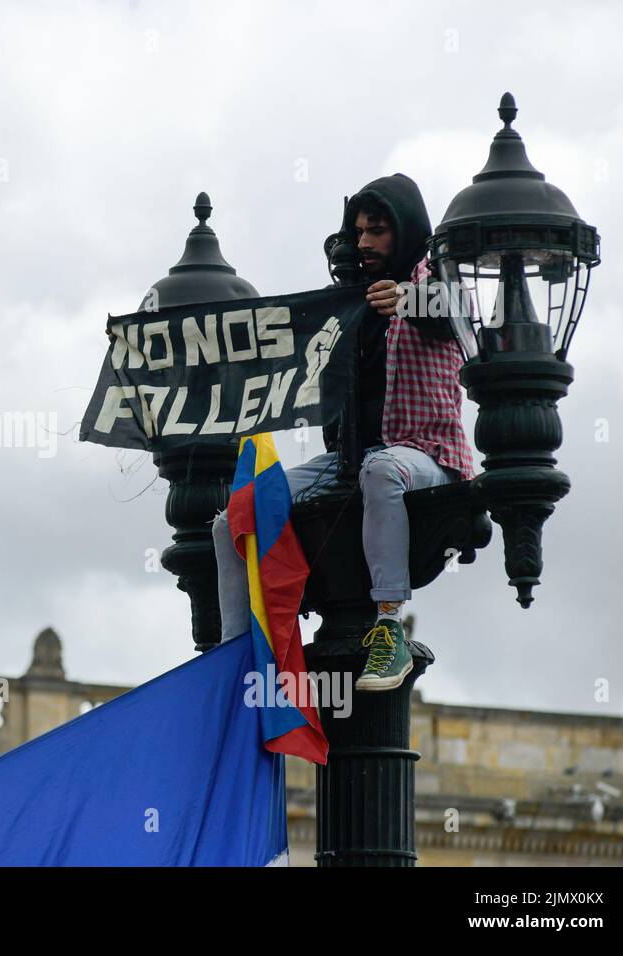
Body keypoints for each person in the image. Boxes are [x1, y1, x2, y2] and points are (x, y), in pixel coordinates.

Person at [212, 173, 474, 692]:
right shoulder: (348, 299)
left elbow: (464, 318)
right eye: (358, 232)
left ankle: (389, 626)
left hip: (428, 454)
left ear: (404, 231)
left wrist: (409, 300)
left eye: (377, 231)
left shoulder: (432, 278)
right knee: (234, 518)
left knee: (381, 470)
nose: (365, 243)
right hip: (350, 460)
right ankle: (235, 658)